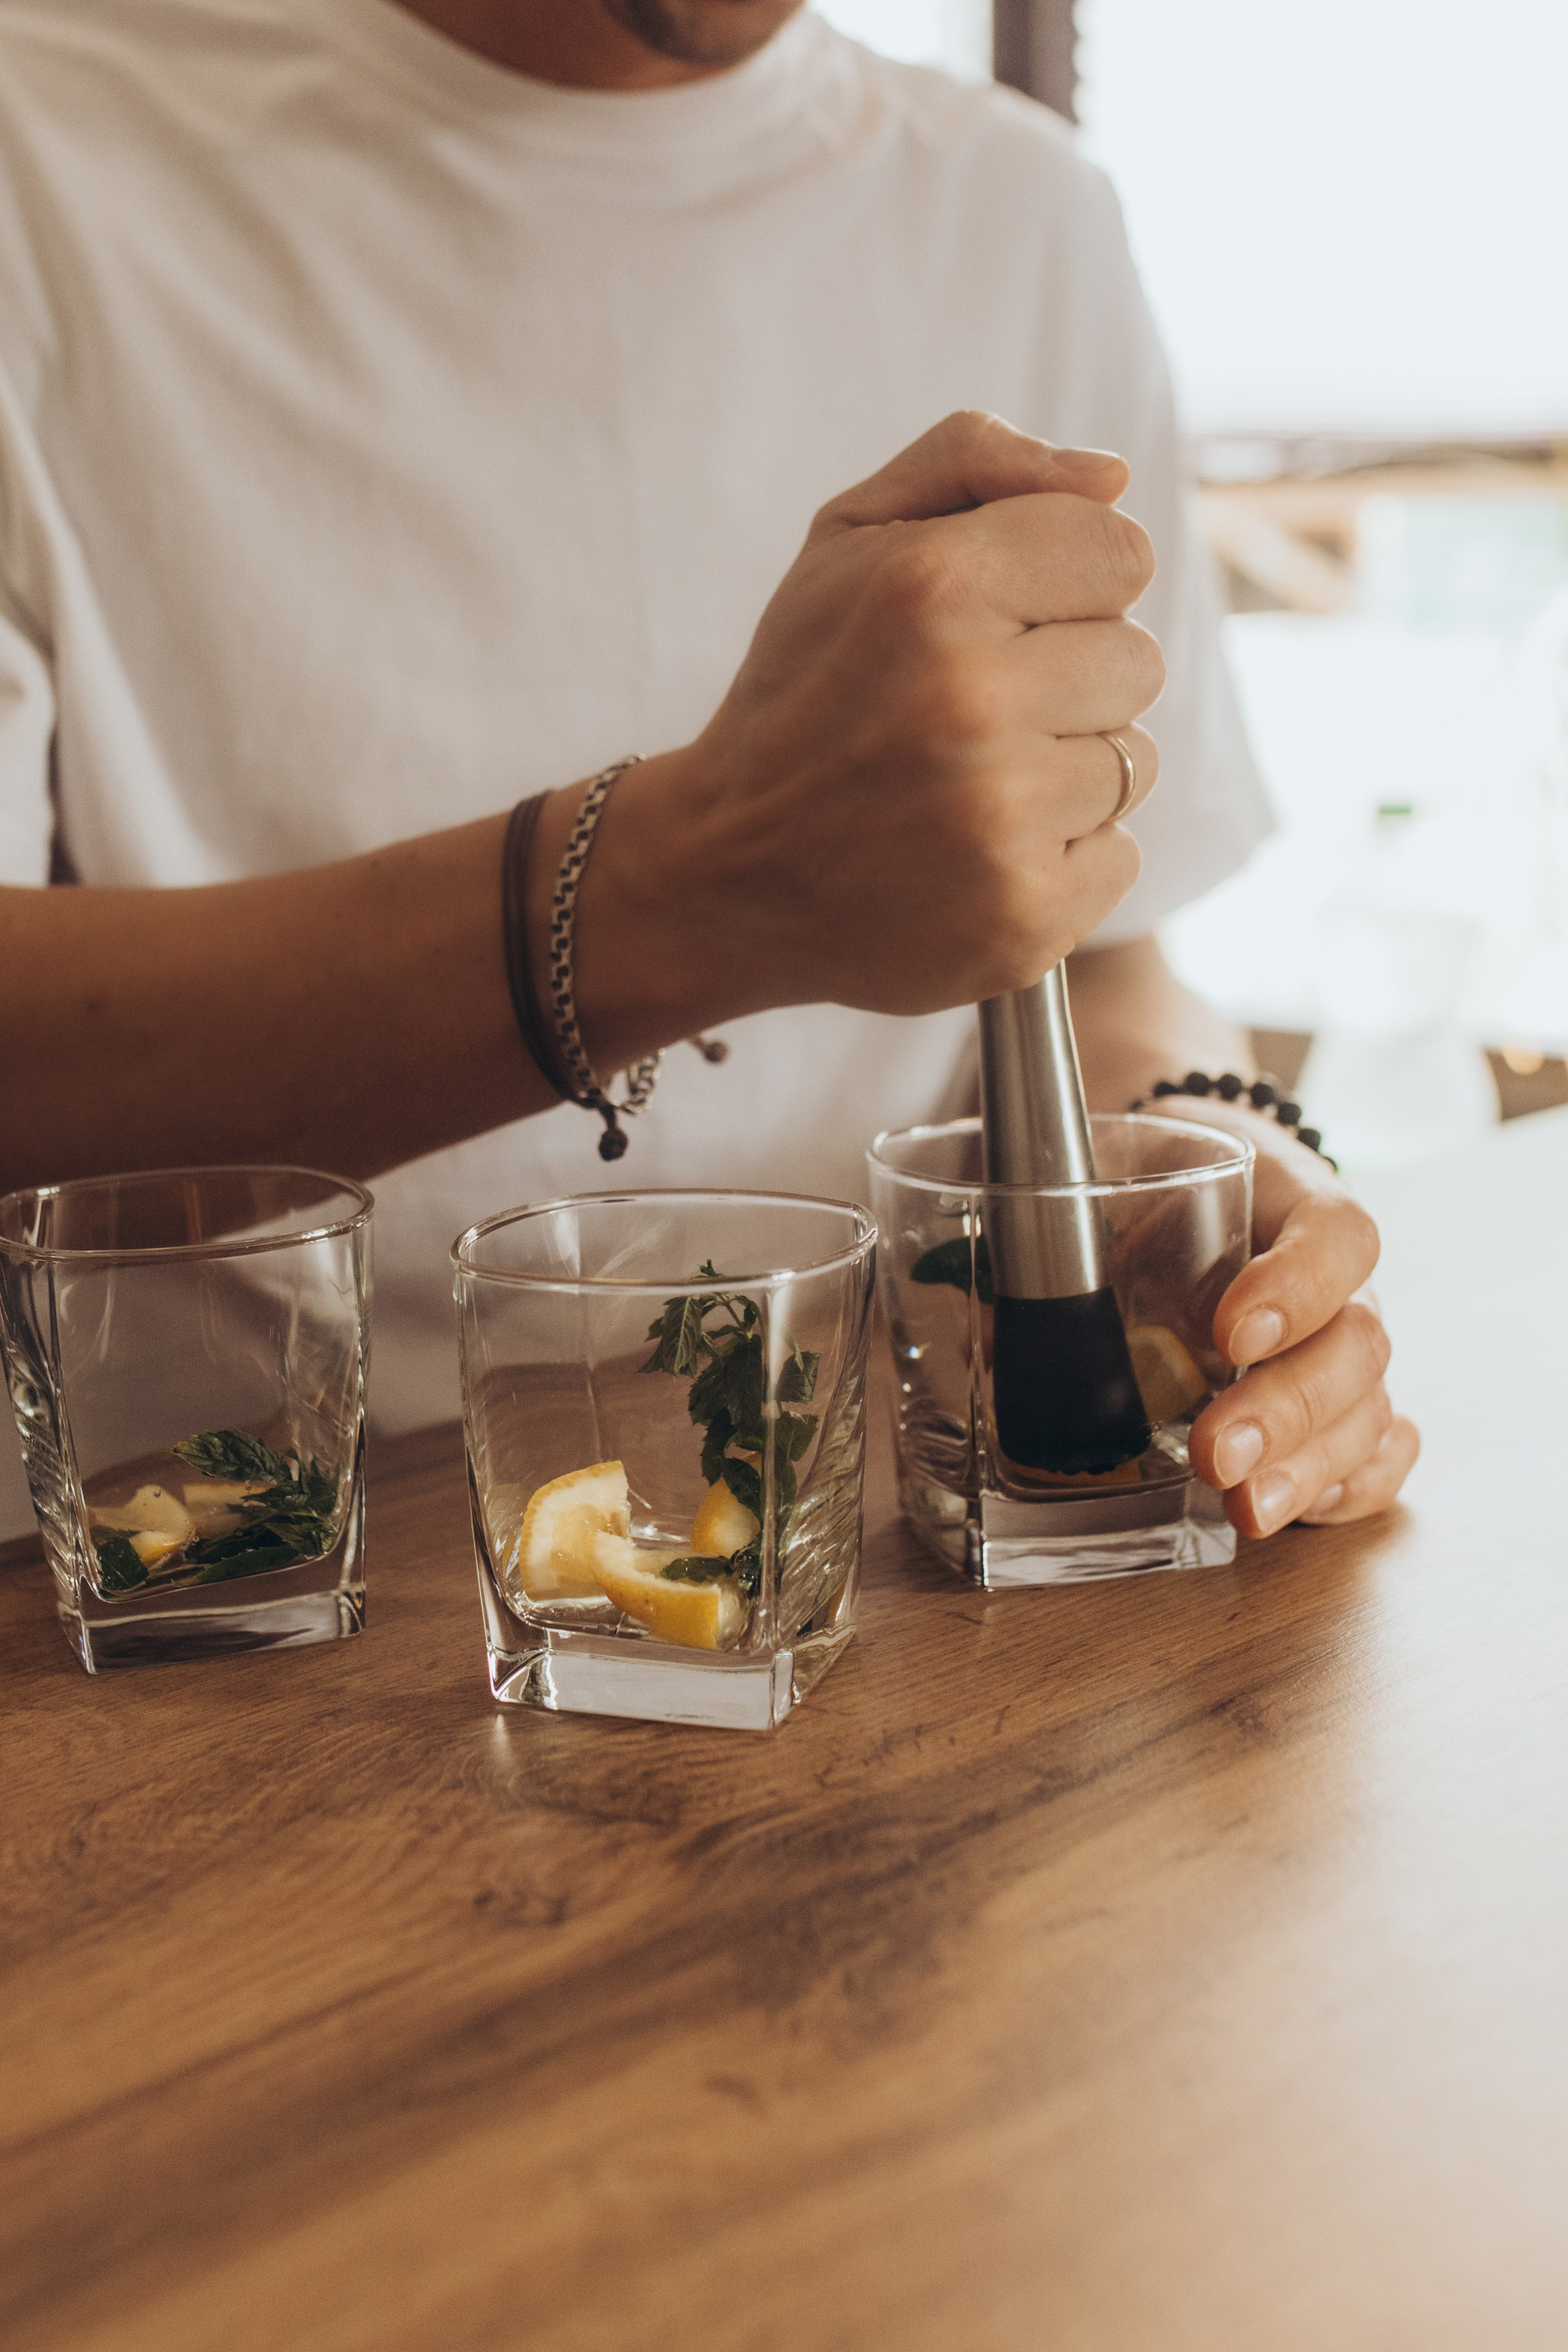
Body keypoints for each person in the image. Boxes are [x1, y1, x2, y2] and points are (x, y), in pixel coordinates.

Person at [0, 0, 1417, 1540]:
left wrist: (1210, 1176)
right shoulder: (44, 136)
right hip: (199, 1608)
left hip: (848, 1573)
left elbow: (1106, 955)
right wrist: (685, 885)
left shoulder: (1018, 207)